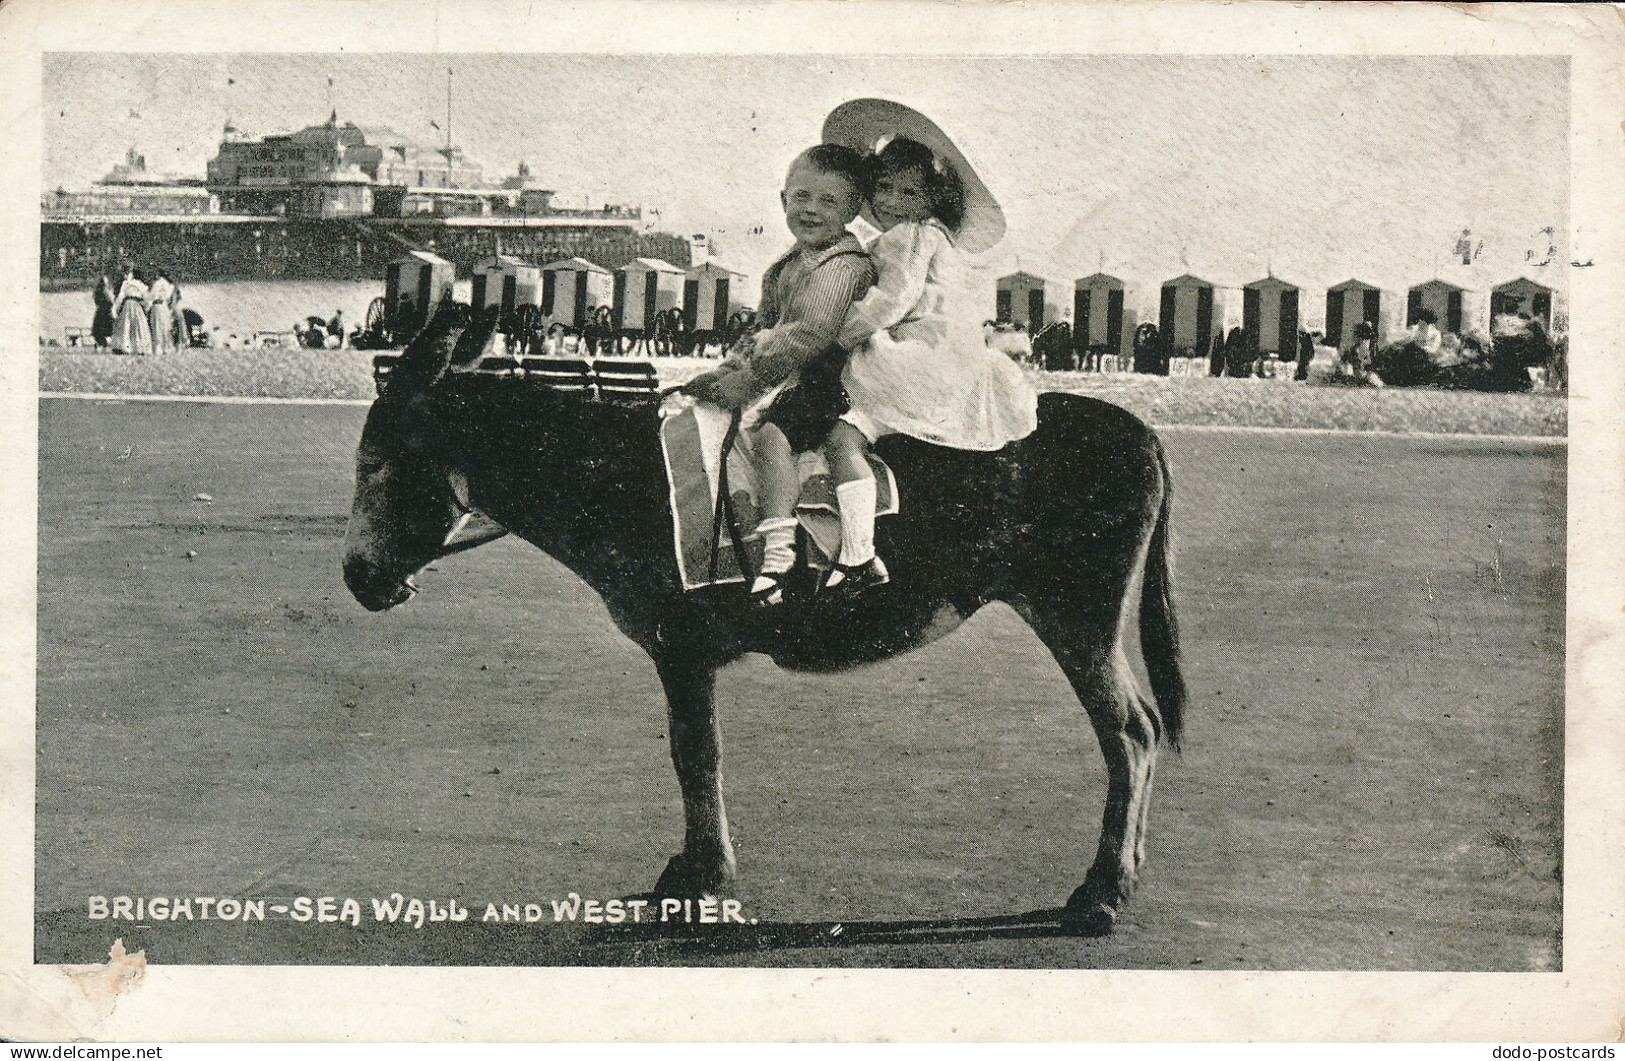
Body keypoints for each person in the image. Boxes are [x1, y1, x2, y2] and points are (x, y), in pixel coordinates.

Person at [815, 102, 1038, 598]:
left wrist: (834, 333)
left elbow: (891, 301)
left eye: (909, 191)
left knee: (841, 434)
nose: (893, 201)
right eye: (885, 188)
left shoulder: (908, 237)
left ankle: (856, 554)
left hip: (914, 362)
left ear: (932, 198)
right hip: (956, 363)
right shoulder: (940, 240)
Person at [681, 144, 876, 607]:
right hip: (787, 374)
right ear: (783, 198)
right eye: (802, 196)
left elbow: (809, 334)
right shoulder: (790, 264)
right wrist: (725, 370)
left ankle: (780, 552)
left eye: (829, 202)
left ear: (851, 211)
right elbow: (764, 329)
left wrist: (744, 384)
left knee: (772, 437)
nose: (811, 209)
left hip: (831, 379)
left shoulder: (842, 266)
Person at [110, 265, 152, 355]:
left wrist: (115, 308)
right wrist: (146, 308)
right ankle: (140, 347)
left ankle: (124, 347)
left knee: (126, 325)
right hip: (137, 305)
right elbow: (147, 298)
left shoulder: (126, 283)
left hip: (128, 304)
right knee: (139, 325)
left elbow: (120, 297)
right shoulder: (141, 285)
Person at [147, 270, 176, 355]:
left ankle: (158, 348)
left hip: (156, 305)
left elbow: (151, 296)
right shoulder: (167, 284)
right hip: (164, 305)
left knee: (156, 326)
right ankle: (166, 347)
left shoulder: (156, 284)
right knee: (165, 326)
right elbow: (168, 296)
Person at [91, 274, 115, 348]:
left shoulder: (97, 292)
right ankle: (104, 343)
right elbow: (110, 302)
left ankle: (101, 342)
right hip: (106, 312)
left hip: (100, 312)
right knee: (108, 329)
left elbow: (96, 302)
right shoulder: (106, 291)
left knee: (99, 330)